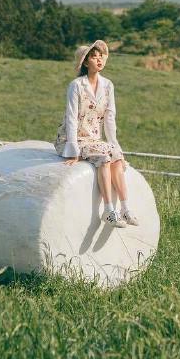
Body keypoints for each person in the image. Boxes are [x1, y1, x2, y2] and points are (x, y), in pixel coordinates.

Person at [55, 39, 138, 229]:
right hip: (70, 138)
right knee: (103, 158)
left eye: (101, 56)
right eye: (94, 57)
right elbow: (71, 117)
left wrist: (115, 144)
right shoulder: (76, 85)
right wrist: (73, 150)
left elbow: (110, 118)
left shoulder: (108, 85)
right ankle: (108, 210)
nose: (99, 60)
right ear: (85, 62)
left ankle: (125, 208)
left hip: (93, 139)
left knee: (115, 156)